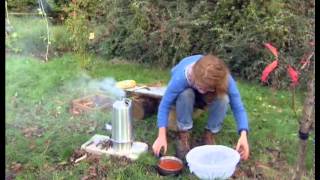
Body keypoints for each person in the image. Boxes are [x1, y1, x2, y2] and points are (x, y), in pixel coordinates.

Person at [152, 54, 250, 160]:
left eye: (206, 87)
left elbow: (238, 108)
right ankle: (184, 133)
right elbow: (164, 105)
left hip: (207, 97)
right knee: (186, 94)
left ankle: (209, 134)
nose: (202, 89)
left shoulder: (225, 79)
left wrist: (243, 135)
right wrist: (161, 135)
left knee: (224, 99)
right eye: (200, 86)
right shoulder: (181, 77)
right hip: (185, 96)